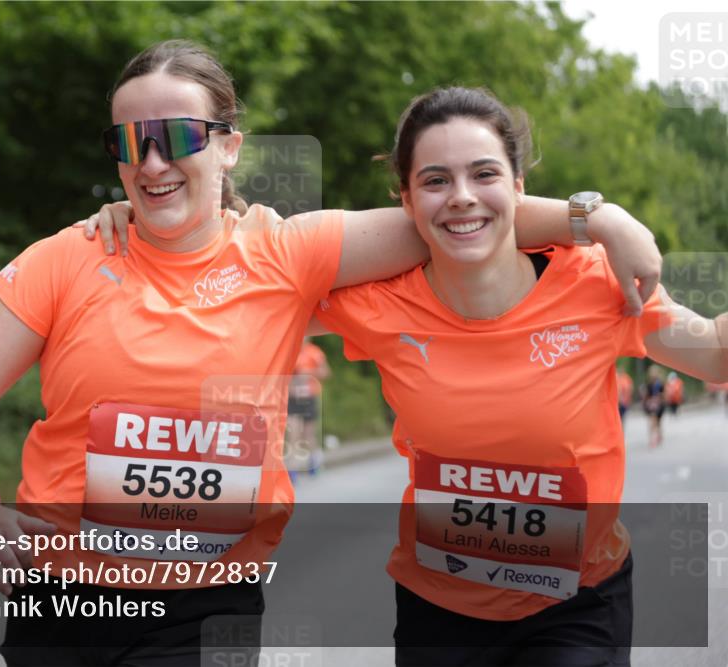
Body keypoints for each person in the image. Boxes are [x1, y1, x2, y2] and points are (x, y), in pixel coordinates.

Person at [0, 40, 666, 666]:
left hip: (206, 601)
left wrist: (593, 218)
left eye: (177, 136)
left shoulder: (287, 253)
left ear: (228, 145)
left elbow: (452, 209)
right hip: (65, 594)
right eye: (129, 142)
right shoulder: (71, 256)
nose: (151, 163)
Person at [308, 86, 728, 666]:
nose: (461, 197)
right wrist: (139, 232)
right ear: (403, 200)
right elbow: (245, 293)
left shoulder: (596, 283)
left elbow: (713, 354)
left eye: (484, 174)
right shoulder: (378, 304)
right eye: (435, 181)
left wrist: (597, 222)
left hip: (577, 607)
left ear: (520, 187)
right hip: (439, 609)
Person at [285, 338, 330, 476]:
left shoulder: (314, 352)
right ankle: (292, 470)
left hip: (308, 398)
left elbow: (326, 373)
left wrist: (308, 373)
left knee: (308, 434)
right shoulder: (288, 350)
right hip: (292, 398)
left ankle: (314, 461)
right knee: (293, 434)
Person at [641, 364, 667, 448]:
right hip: (651, 405)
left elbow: (664, 395)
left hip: (659, 405)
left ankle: (659, 434)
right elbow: (646, 395)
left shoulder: (660, 383)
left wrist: (659, 398)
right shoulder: (649, 384)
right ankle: (652, 438)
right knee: (652, 421)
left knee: (658, 422)